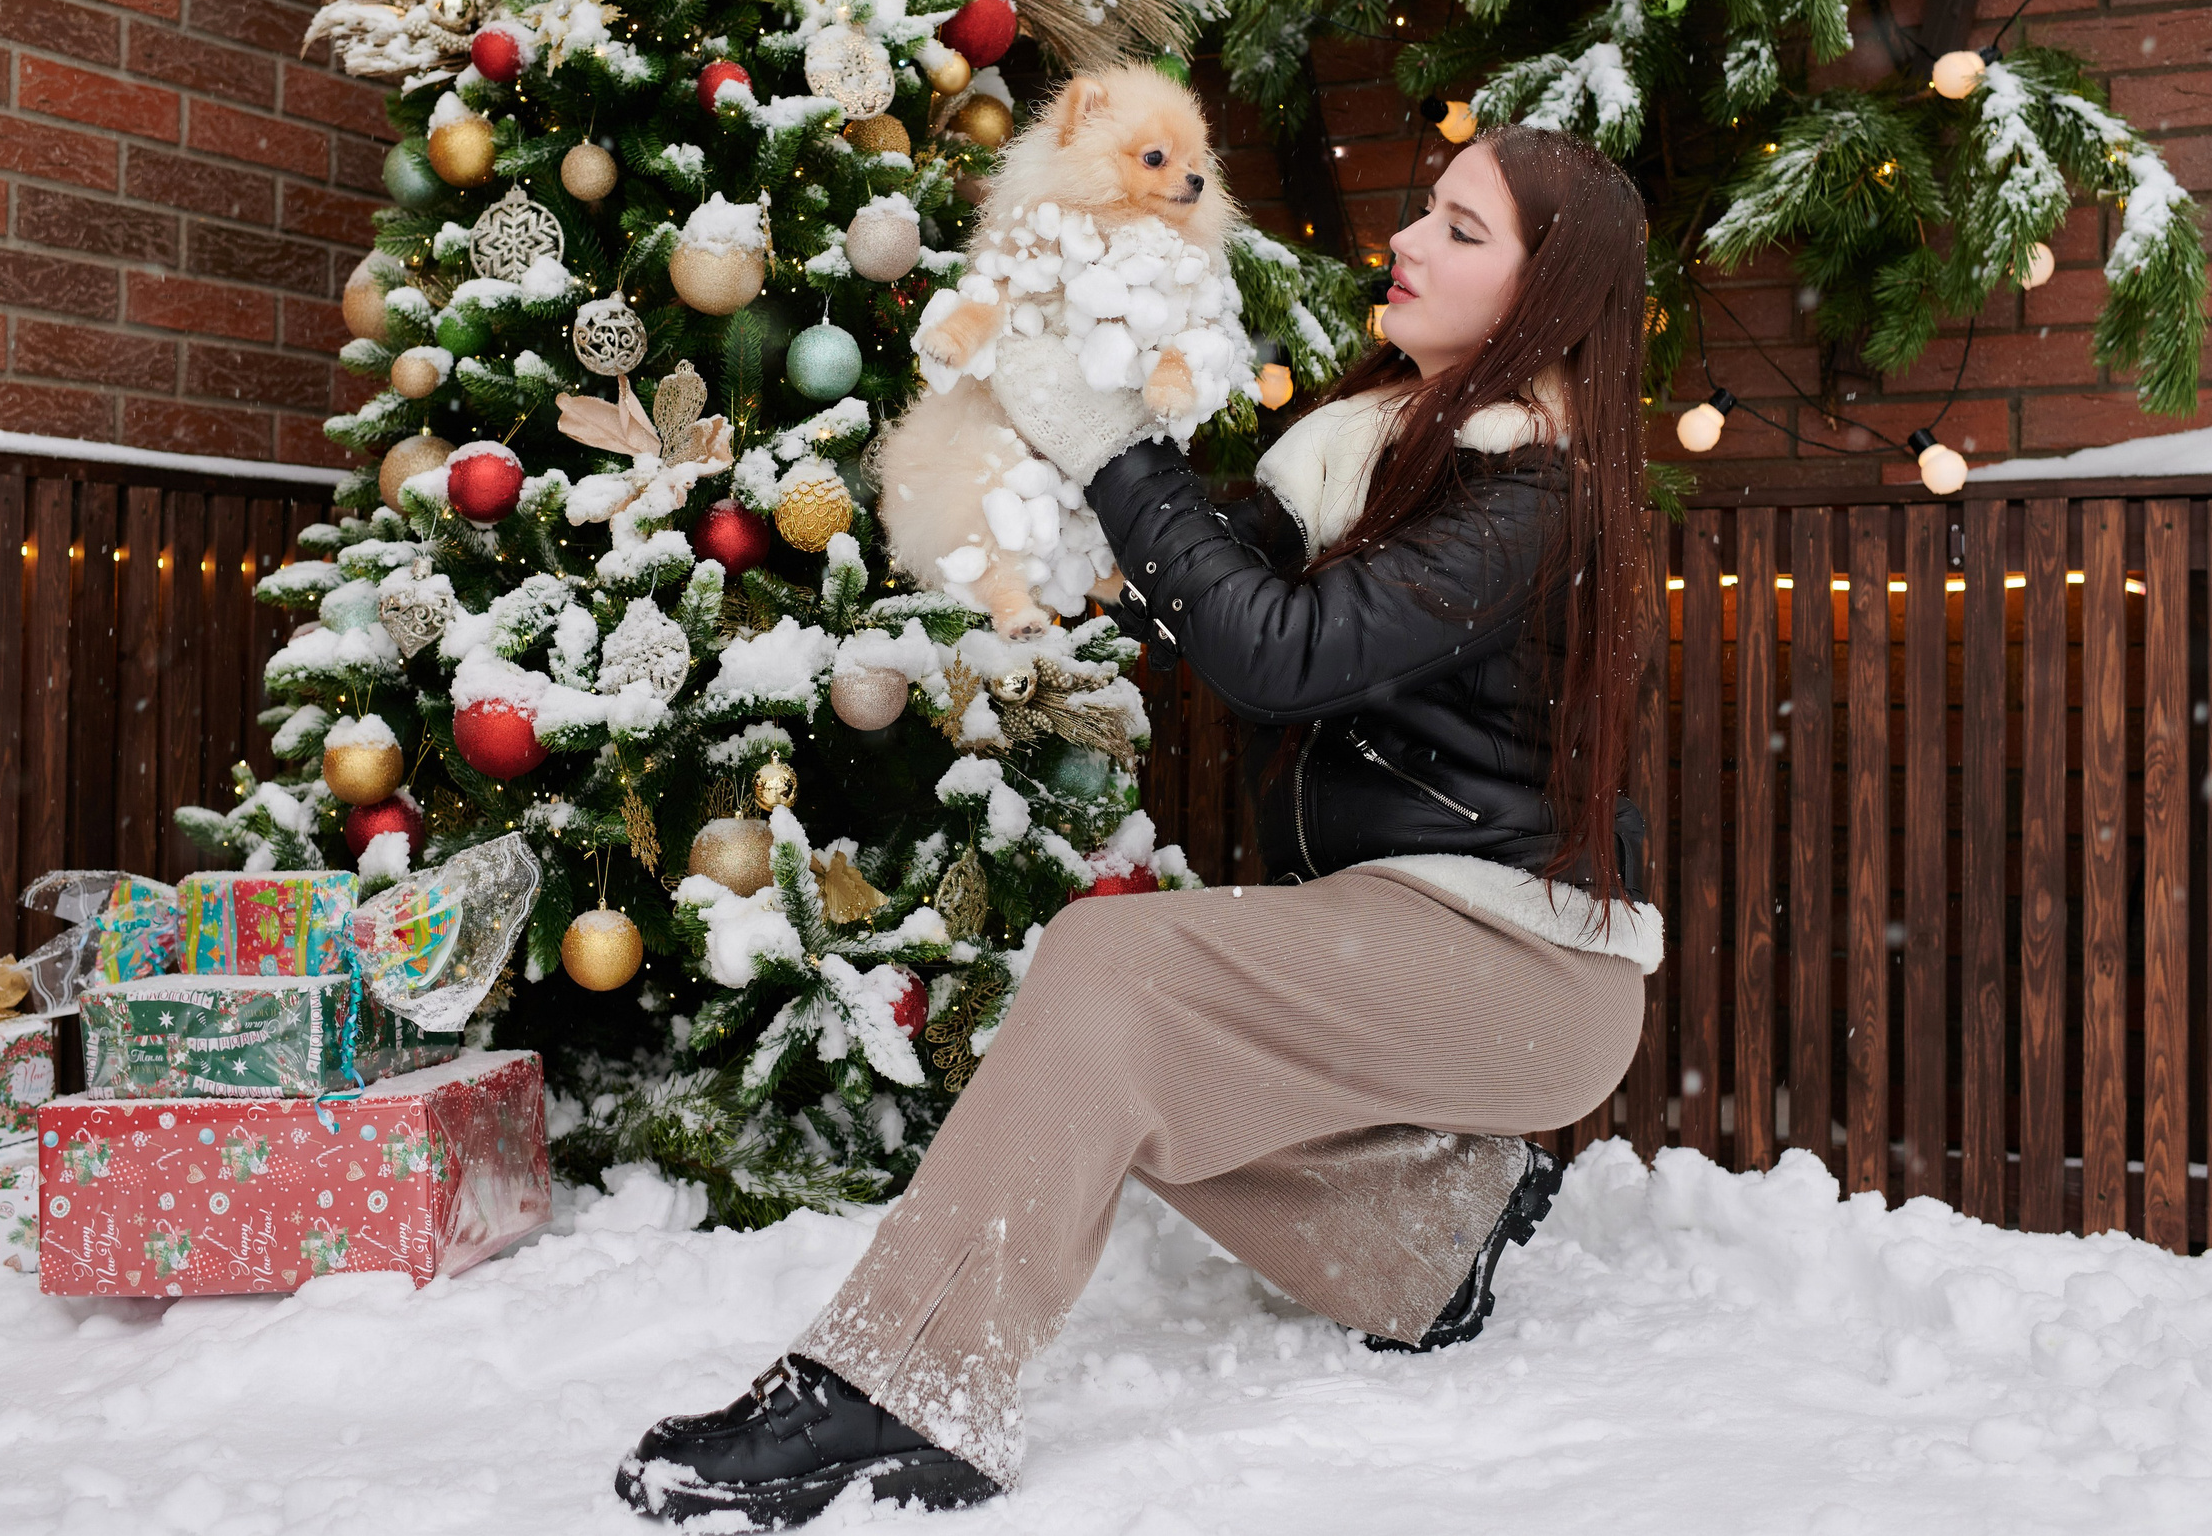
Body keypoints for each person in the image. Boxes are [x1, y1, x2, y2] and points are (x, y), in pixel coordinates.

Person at [614, 123, 1665, 1528]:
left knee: (1111, 974)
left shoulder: (1535, 496)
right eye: (1426, 211)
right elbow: (1206, 585)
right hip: (1419, 924)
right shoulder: (1373, 452)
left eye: (1463, 233)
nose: (1408, 243)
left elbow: (1276, 652)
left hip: (1526, 963)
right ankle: (1424, 1248)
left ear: (1548, 299)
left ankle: (905, 1387)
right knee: (1111, 1060)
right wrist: (1047, 461)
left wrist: (1115, 450)